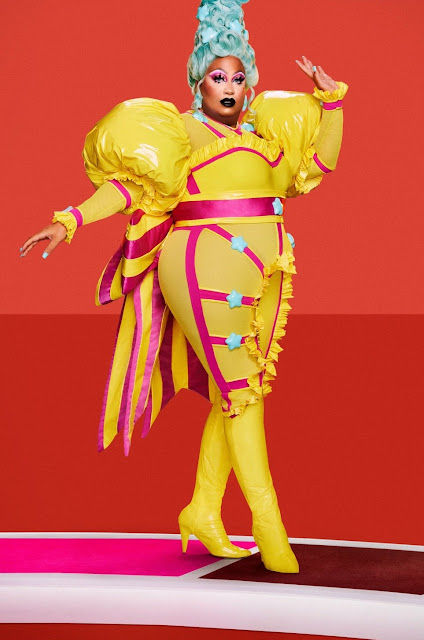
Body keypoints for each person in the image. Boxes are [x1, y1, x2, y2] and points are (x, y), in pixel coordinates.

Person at [20, 0, 348, 573]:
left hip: (267, 268)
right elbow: (131, 189)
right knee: (241, 390)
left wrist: (333, 102)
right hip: (203, 265)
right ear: (198, 82)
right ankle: (270, 527)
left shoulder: (265, 133)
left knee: (242, 391)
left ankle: (202, 510)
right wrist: (70, 220)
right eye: (218, 76)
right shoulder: (180, 131)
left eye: (238, 77)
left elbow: (317, 166)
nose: (230, 87)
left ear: (250, 85)